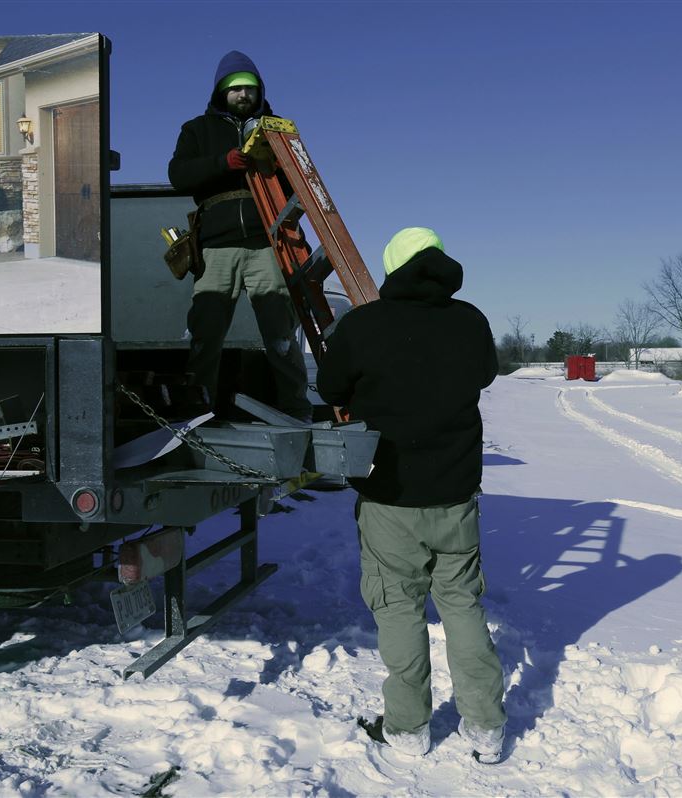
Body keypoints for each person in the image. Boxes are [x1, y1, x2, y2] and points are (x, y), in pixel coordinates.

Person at [316, 227, 507, 763]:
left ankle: (405, 731)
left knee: (398, 609)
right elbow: (486, 373)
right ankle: (486, 728)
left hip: (388, 496)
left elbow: (330, 388)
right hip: (455, 494)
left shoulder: (364, 324)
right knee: (462, 606)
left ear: (392, 268)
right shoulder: (469, 320)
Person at [168, 50, 311, 421]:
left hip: (267, 243)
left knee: (281, 335)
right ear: (220, 91)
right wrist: (223, 162)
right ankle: (197, 414)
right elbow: (178, 175)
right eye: (234, 88)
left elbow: (302, 178)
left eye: (249, 88)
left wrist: (278, 161)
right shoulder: (196, 129)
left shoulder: (278, 127)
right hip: (216, 246)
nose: (243, 95)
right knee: (206, 336)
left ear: (259, 91)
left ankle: (296, 411)